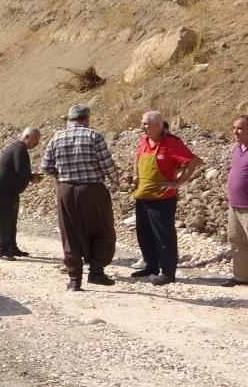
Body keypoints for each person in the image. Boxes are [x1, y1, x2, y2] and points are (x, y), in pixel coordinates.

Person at [41, 104, 119, 291]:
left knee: (70, 233)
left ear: (69, 119)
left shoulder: (57, 137)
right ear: (86, 119)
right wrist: (116, 181)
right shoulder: (94, 135)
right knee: (102, 229)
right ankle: (97, 271)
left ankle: (74, 279)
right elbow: (107, 164)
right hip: (92, 190)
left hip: (66, 191)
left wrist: (61, 176)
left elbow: (46, 167)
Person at [129, 112, 203, 286]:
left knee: (164, 236)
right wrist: (135, 176)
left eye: (146, 124)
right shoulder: (143, 141)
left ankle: (168, 272)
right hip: (143, 195)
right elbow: (137, 158)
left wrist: (177, 183)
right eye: (142, 123)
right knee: (144, 233)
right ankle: (151, 266)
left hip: (162, 199)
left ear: (158, 126)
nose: (142, 126)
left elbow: (192, 162)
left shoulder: (172, 143)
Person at [0, 127, 42, 259]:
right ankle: (2, 250)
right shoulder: (19, 148)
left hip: (10, 190)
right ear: (27, 137)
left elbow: (20, 170)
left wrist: (32, 176)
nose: (37, 143)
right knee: (3, 219)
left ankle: (11, 247)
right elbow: (21, 170)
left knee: (11, 220)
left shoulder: (20, 148)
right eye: (36, 139)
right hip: (3, 189)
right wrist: (32, 177)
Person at [225, 115, 248, 287]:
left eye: (239, 128)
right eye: (234, 128)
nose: (235, 132)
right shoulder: (236, 148)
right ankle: (241, 277)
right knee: (236, 240)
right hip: (234, 204)